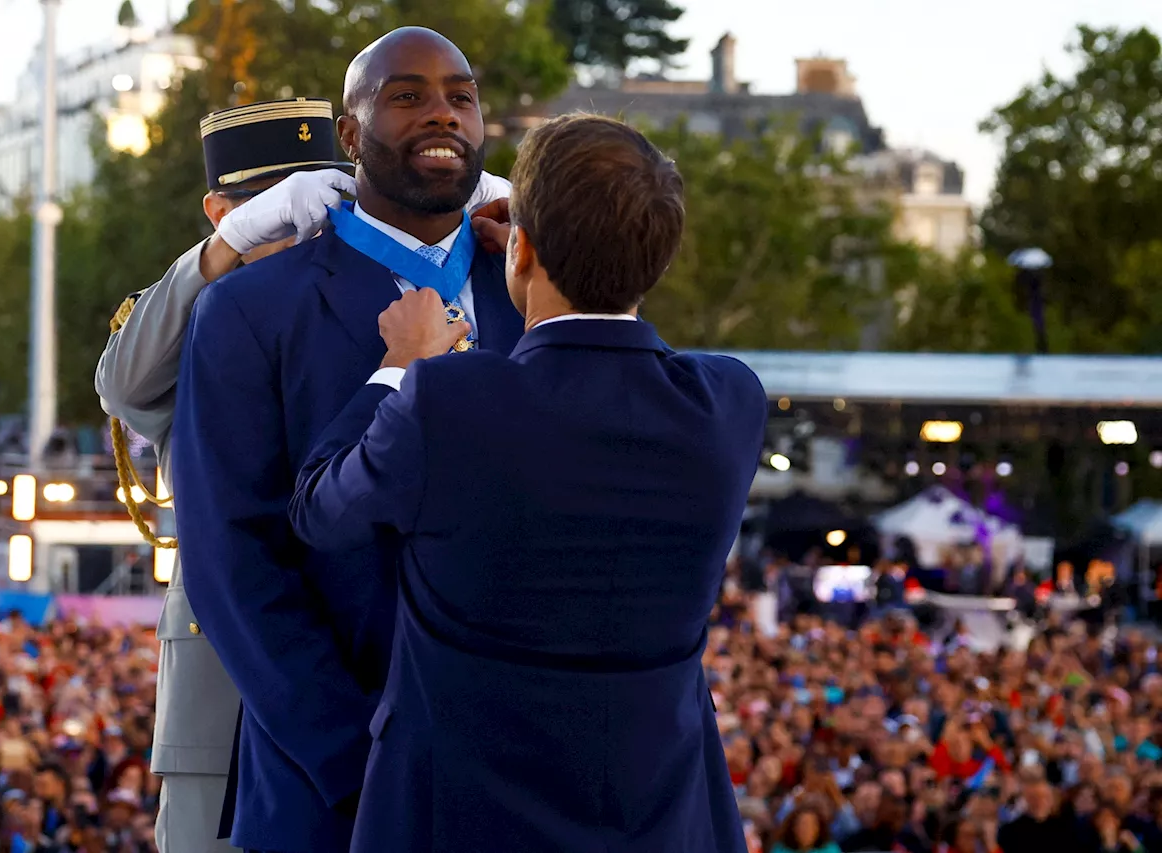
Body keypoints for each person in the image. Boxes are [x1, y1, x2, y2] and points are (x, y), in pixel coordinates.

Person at [289, 113, 766, 852]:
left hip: (458, 819)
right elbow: (635, 353)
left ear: (524, 249)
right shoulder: (729, 404)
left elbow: (320, 508)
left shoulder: (448, 400)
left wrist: (400, 363)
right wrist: (596, 248)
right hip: (663, 819)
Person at [94, 97, 509, 853]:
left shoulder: (389, 310)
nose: (307, 226)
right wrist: (221, 251)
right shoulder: (207, 320)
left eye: (328, 199)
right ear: (225, 210)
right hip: (230, 695)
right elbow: (122, 382)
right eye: (278, 211)